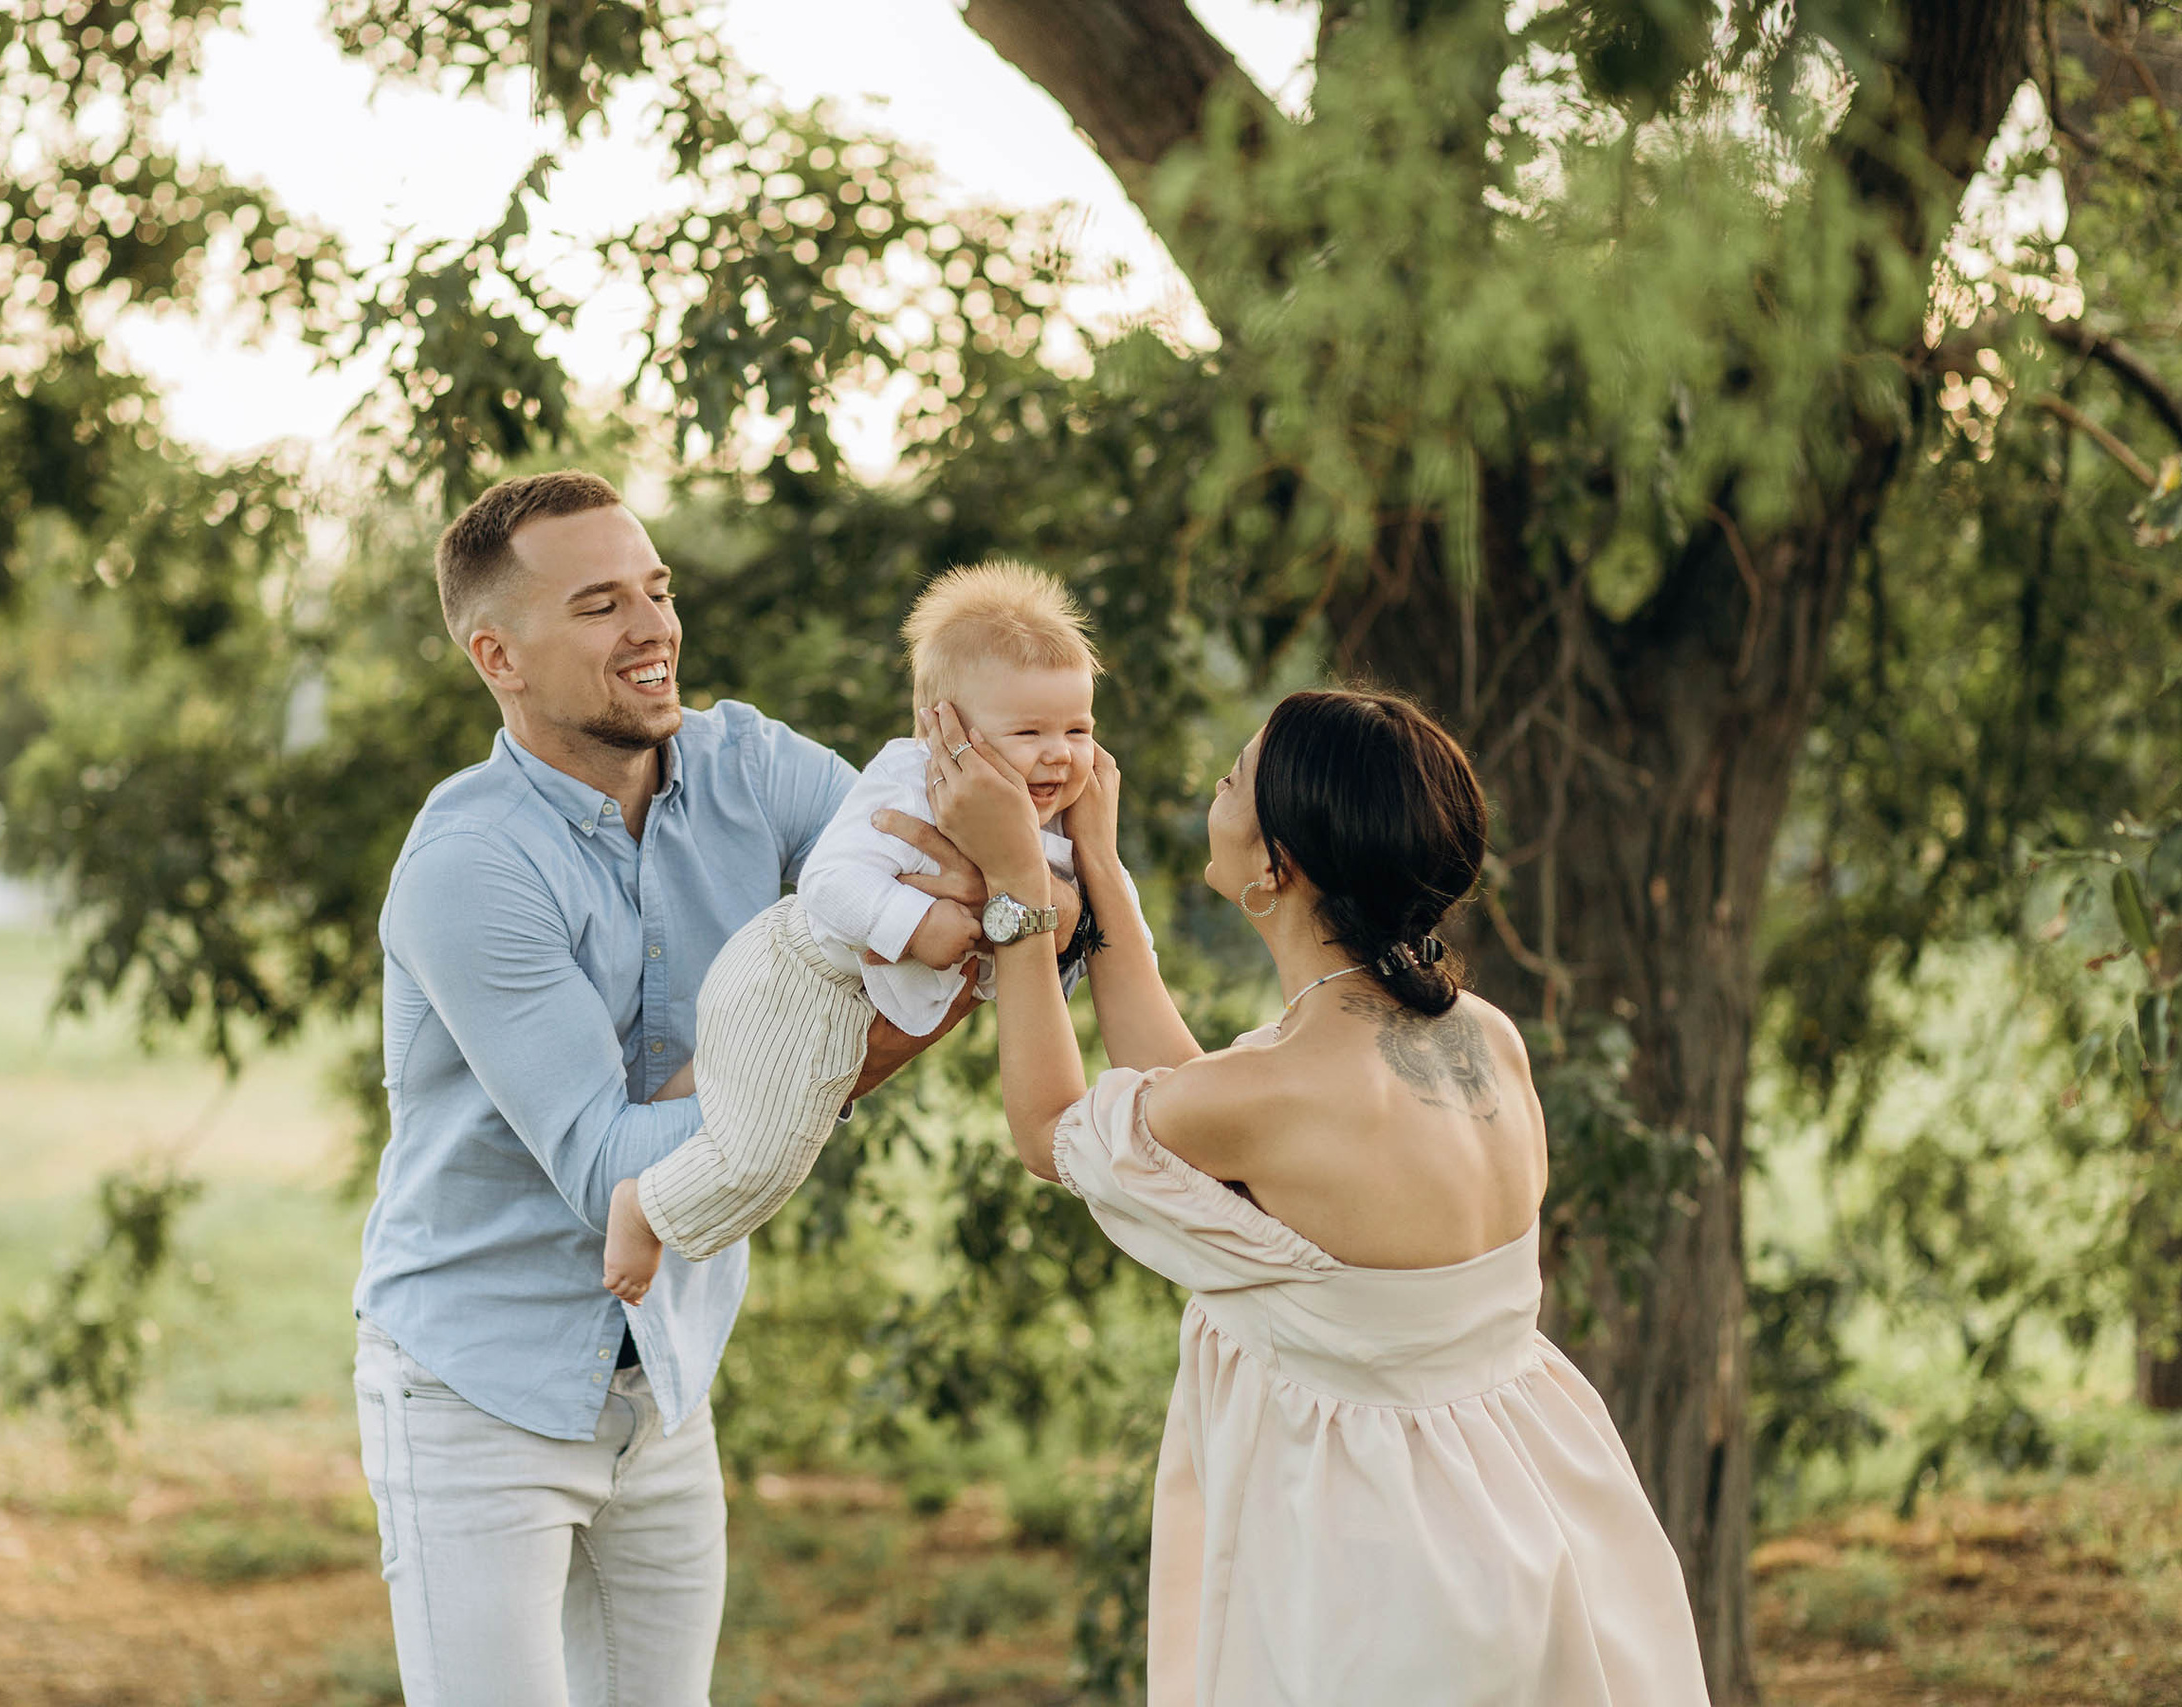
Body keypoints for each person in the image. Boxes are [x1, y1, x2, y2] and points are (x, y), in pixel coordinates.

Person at [353, 471, 1069, 1706]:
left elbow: (951, 880)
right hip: (478, 1388)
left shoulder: (750, 766)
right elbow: (611, 1175)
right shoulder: (469, 863)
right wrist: (841, 1040)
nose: (653, 629)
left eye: (658, 588)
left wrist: (1021, 859)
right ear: (497, 655)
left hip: (666, 1375)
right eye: (599, 606)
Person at [924, 686, 1711, 1706]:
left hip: (1380, 1554)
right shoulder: (1479, 1036)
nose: (1220, 777)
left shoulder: (1276, 1091)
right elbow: (1198, 1124)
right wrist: (1101, 871)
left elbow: (1051, 1132)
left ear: (1274, 865)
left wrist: (1019, 888)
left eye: (1238, 774)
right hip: (1536, 1502)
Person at [601, 560, 1111, 1304]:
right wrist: (916, 922)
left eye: (1078, 728)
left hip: (836, 1001)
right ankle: (641, 1207)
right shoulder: (907, 783)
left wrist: (1070, 891)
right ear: (946, 732)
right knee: (764, 1159)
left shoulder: (1056, 811)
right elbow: (830, 881)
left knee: (723, 1105)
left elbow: (1101, 918)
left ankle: (662, 1127)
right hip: (796, 982)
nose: (1060, 753)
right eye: (1029, 730)